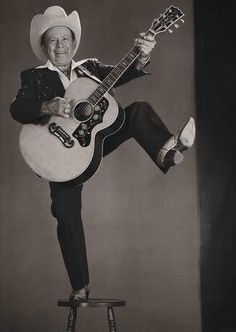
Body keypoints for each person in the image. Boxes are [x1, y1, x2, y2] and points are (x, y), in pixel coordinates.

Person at [10, 6, 195, 301]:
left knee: (138, 111)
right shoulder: (34, 77)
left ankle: (167, 152)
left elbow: (124, 73)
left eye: (65, 40)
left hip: (96, 141)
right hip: (60, 152)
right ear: (44, 46)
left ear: (74, 43)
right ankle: (80, 286)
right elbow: (18, 109)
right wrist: (48, 106)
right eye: (53, 41)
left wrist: (143, 53)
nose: (60, 46)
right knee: (66, 214)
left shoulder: (90, 68)